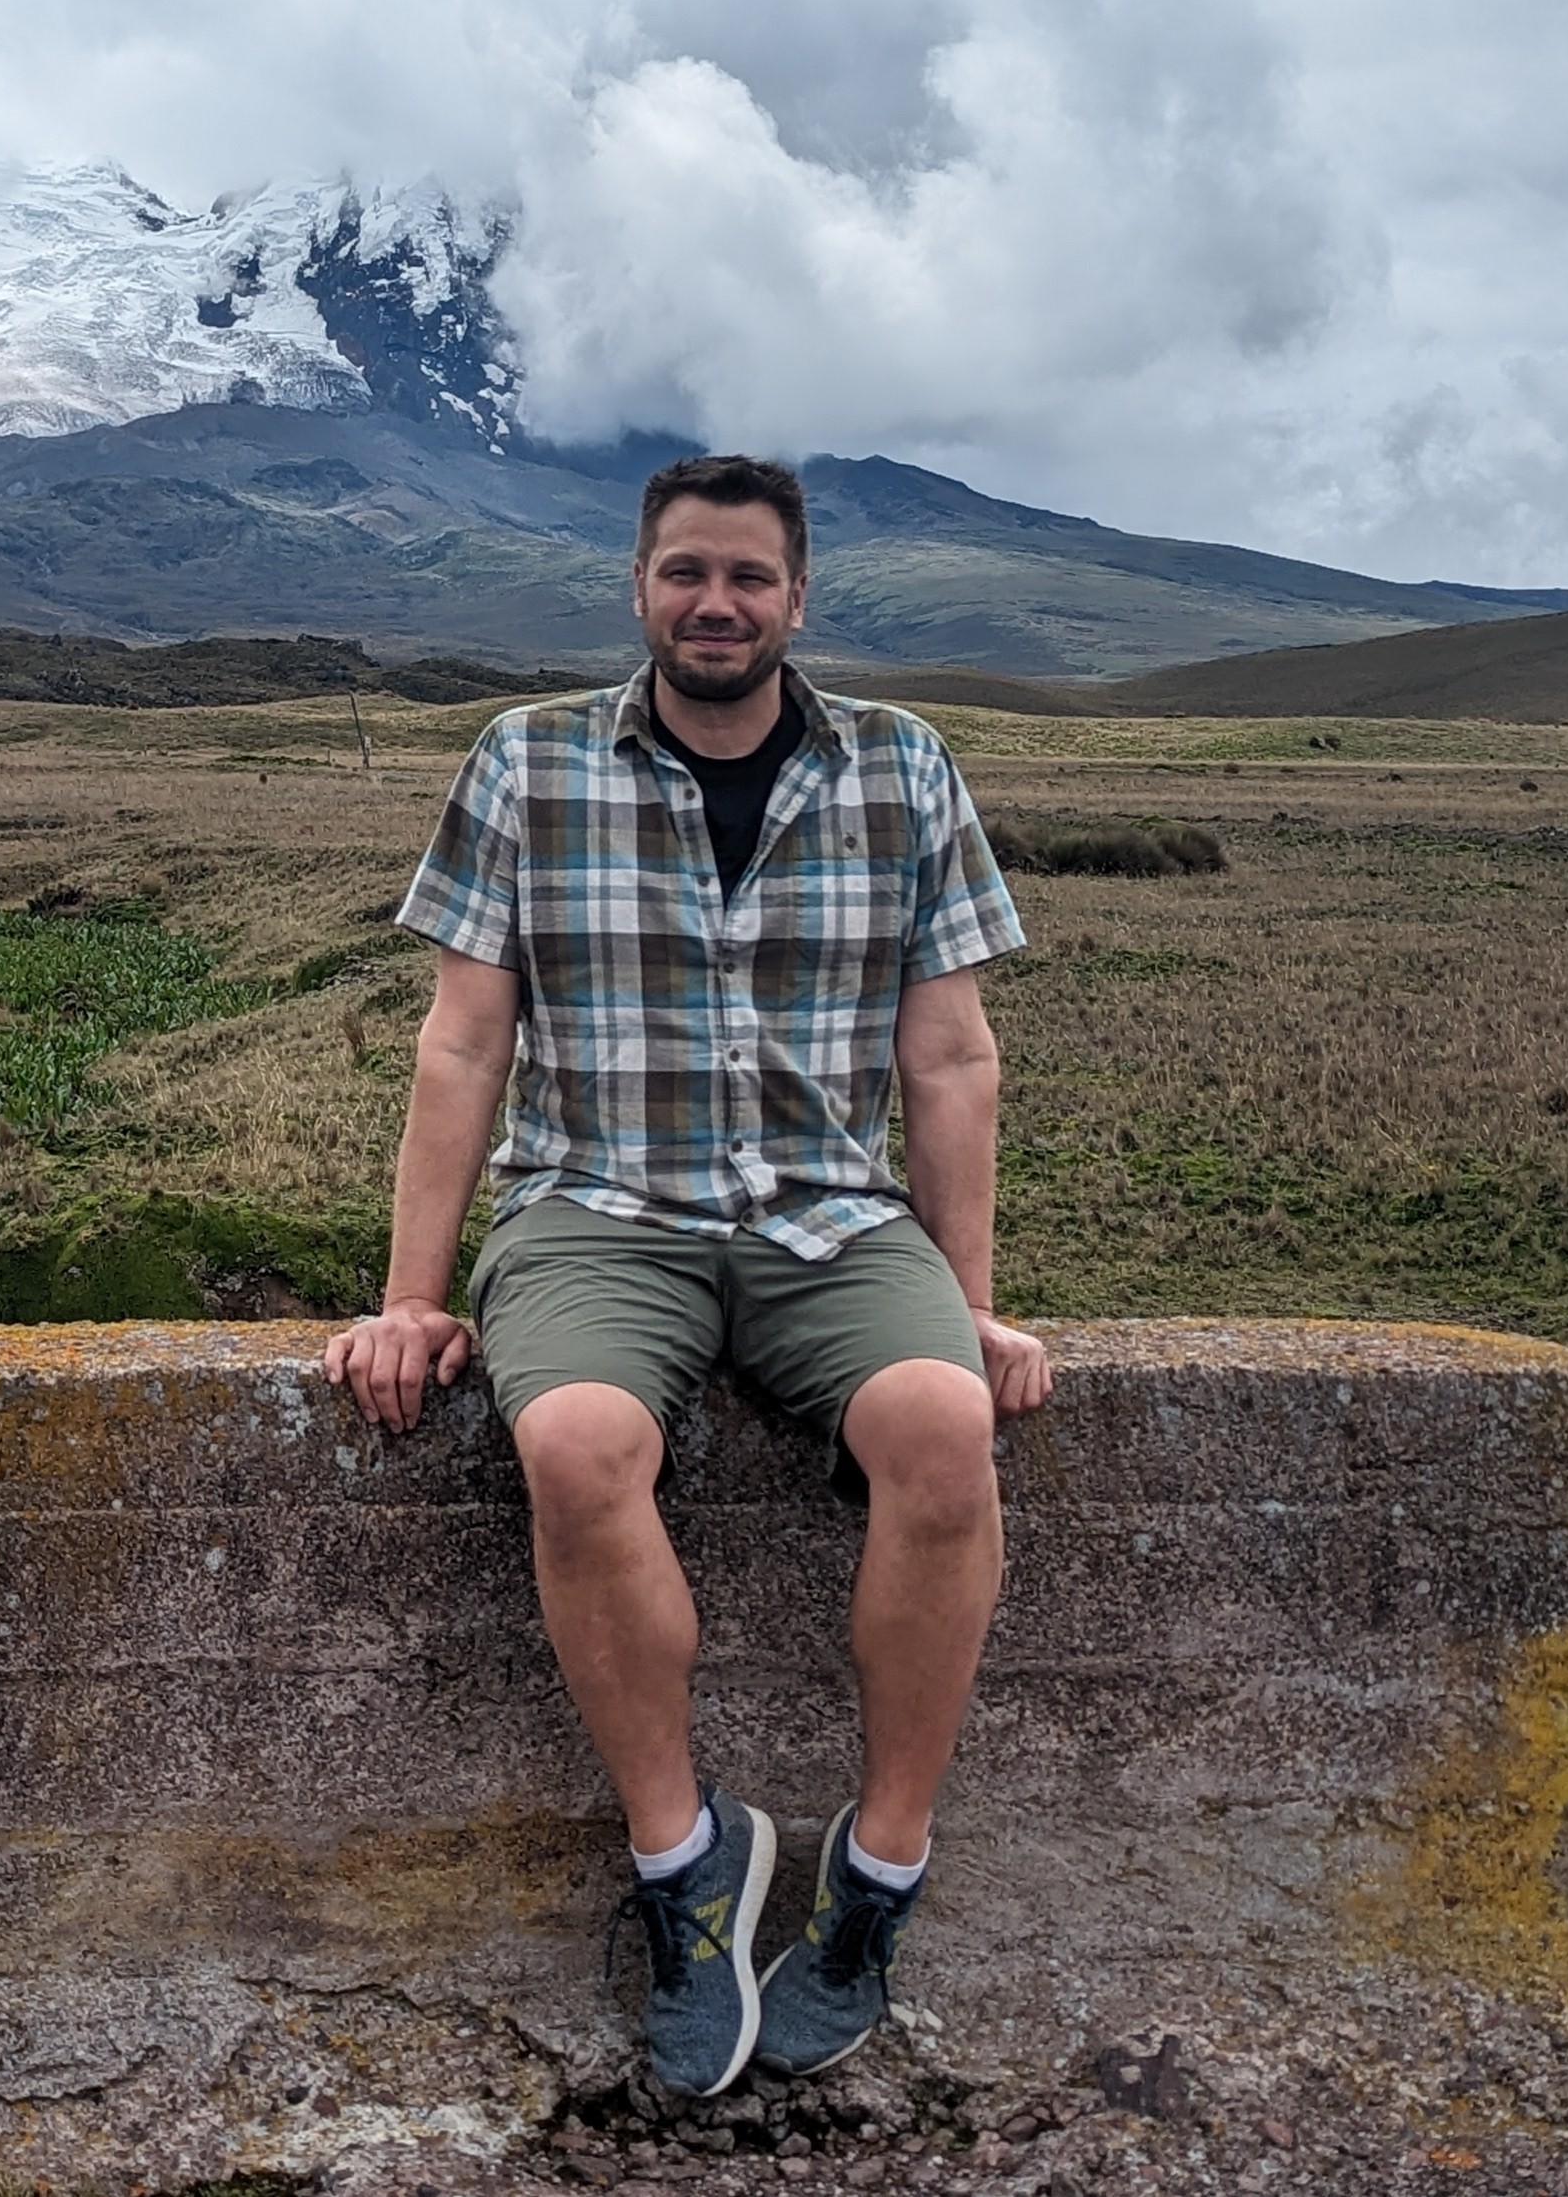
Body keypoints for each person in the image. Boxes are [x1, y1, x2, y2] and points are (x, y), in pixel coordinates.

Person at [320, 453, 1051, 2098]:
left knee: (945, 1428)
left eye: (748, 578)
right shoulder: (528, 760)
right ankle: (686, 1869)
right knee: (574, 1444)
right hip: (597, 1208)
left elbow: (949, 1062)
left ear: (800, 599)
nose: (715, 605)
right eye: (685, 574)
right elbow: (461, 1042)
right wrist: (413, 1296)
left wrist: (972, 1294)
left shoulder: (902, 768)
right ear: (637, 587)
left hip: (828, 1214)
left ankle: (875, 1878)